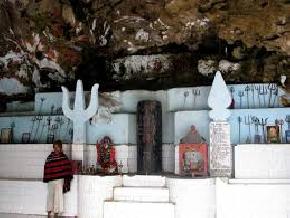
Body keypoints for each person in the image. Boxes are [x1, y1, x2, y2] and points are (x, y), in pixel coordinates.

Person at [43, 140, 73, 217]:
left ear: (60, 148)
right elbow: (46, 167)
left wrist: (66, 177)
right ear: (53, 148)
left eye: (58, 147)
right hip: (51, 181)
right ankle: (49, 213)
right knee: (50, 196)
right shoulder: (50, 157)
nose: (56, 149)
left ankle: (56, 214)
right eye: (55, 147)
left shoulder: (64, 157)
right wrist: (48, 177)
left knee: (58, 197)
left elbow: (68, 167)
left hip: (59, 180)